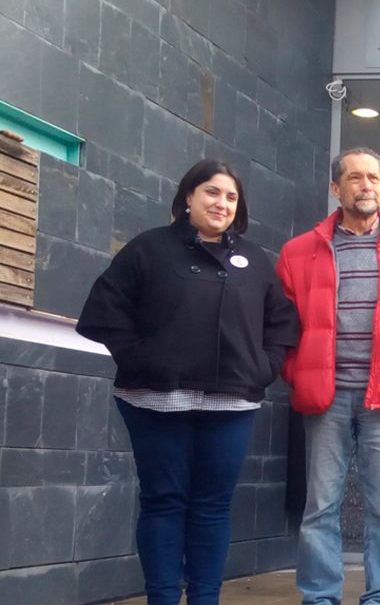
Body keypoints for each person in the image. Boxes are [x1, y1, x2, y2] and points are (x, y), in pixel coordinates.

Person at [77, 159, 299, 605]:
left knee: (213, 506)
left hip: (231, 405)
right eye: (212, 192)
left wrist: (264, 366)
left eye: (231, 197)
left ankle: (204, 598)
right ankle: (161, 597)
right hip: (155, 400)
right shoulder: (149, 249)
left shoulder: (253, 261)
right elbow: (105, 310)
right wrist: (139, 358)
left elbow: (282, 323)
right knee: (163, 501)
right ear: (188, 198)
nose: (221, 203)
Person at [276, 146, 380, 605]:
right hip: (324, 398)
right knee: (320, 508)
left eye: (373, 177)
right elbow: (281, 324)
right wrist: (295, 370)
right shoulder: (298, 252)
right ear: (336, 188)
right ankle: (320, 596)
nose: (365, 185)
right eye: (354, 178)